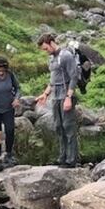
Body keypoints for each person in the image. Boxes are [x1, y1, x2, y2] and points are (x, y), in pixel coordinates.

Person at [36, 34, 80, 168]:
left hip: (65, 96)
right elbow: (53, 79)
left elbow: (74, 77)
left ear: (51, 43)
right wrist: (45, 94)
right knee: (58, 127)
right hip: (55, 96)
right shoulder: (52, 58)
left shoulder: (65, 56)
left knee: (68, 127)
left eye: (45, 48)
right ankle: (62, 156)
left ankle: (71, 159)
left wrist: (68, 98)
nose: (45, 51)